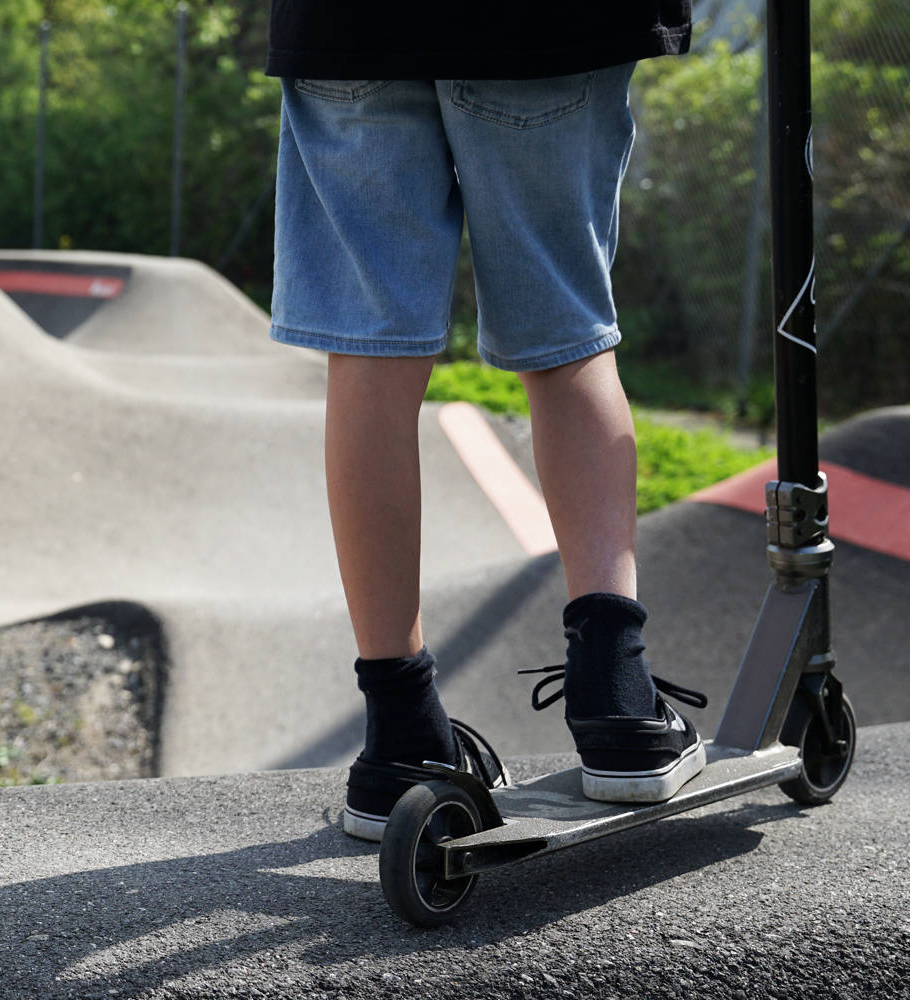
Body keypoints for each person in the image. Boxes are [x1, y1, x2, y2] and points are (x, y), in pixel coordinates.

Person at [264, 2, 706, 841]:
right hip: (542, 31)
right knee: (565, 339)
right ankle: (617, 701)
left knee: (369, 355)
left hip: (349, 32)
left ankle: (400, 734)